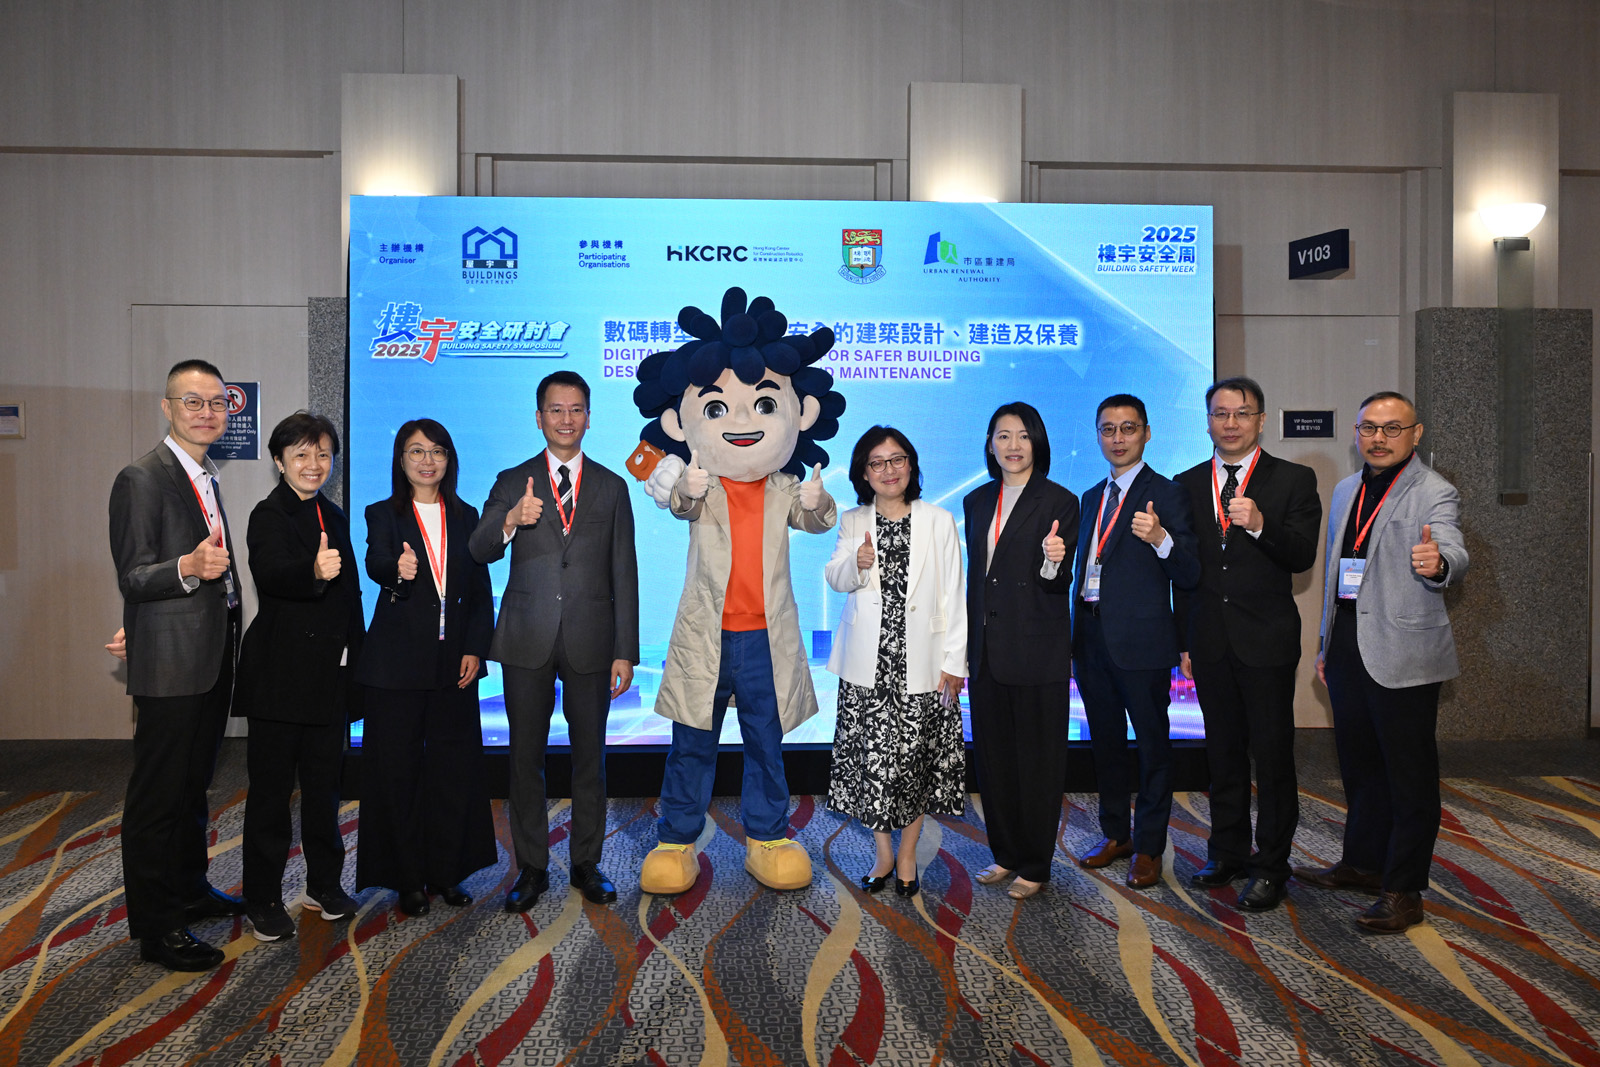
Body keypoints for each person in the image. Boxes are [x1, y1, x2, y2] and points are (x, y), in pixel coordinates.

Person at [629, 286, 844, 896]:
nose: (743, 421)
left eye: (763, 405)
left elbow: (816, 520)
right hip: (708, 636)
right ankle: (677, 839)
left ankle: (767, 836)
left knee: (765, 743)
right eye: (719, 408)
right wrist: (687, 486)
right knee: (691, 743)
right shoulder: (703, 485)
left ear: (798, 413)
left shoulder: (783, 487)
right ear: (684, 423)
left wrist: (817, 498)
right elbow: (679, 504)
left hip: (764, 640)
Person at [1295, 391, 1467, 934]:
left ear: (1415, 435)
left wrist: (1440, 562)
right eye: (1369, 427)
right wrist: (1325, 644)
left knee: (1409, 777)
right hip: (1349, 645)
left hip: (1403, 652)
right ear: (1356, 433)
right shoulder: (1347, 489)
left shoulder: (1434, 491)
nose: (1378, 438)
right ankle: (1364, 864)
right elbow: (1337, 572)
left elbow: (1452, 547)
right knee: (1360, 765)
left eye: (1392, 428)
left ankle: (1405, 890)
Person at [469, 372, 640, 910]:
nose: (566, 419)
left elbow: (624, 571)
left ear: (588, 417)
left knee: (591, 757)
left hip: (593, 639)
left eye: (576, 409)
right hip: (527, 638)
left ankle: (587, 863)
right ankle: (532, 868)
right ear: (539, 417)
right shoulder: (511, 480)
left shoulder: (612, 486)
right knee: (525, 758)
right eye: (556, 410)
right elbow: (478, 549)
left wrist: (625, 650)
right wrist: (510, 520)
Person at [108, 358, 247, 971]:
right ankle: (157, 927)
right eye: (193, 402)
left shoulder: (205, 476)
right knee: (158, 799)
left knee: (193, 787)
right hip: (171, 666)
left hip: (209, 656)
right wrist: (187, 568)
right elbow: (135, 576)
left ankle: (190, 890)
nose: (207, 413)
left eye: (217, 402)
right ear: (167, 408)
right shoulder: (141, 478)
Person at [1174, 377, 1321, 912]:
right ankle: (1227, 852)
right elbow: (1185, 572)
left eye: (1242, 413)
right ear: (1207, 421)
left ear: (1260, 420)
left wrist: (1260, 526)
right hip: (1210, 641)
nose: (1230, 423)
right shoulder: (1187, 483)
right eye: (1220, 413)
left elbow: (1302, 555)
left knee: (1273, 757)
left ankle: (1272, 866)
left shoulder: (1293, 479)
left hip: (1266, 642)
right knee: (1223, 755)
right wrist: (1184, 640)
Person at [355, 419, 497, 916]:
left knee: (452, 771)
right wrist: (396, 570)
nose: (427, 460)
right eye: (416, 451)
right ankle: (407, 879)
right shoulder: (382, 513)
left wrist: (476, 648)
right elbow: (375, 561)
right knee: (397, 773)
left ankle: (447, 872)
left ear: (449, 459)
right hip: (396, 666)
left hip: (453, 663)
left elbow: (479, 591)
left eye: (437, 451)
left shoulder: (466, 515)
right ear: (401, 460)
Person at [233, 412, 365, 940]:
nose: (314, 464)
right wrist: (311, 572)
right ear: (279, 460)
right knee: (270, 795)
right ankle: (262, 898)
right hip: (280, 678)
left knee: (323, 791)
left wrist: (359, 660)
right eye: (302, 454)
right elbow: (270, 573)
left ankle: (323, 886)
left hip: (330, 678)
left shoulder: (333, 513)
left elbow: (350, 597)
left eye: (323, 454)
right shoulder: (268, 514)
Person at [824, 427, 967, 897]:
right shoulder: (853, 521)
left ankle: (907, 854)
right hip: (868, 666)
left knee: (914, 764)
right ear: (864, 473)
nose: (889, 470)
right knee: (872, 764)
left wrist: (955, 661)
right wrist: (858, 563)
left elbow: (955, 594)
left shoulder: (938, 520)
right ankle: (883, 854)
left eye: (897, 459)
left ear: (911, 465)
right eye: (877, 463)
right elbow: (835, 577)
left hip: (923, 663)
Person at [1072, 394, 1200, 890]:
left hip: (1142, 643)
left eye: (1128, 428)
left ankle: (1148, 847)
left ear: (1147, 432)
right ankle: (1115, 835)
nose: (1118, 438)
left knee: (1151, 748)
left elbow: (1189, 572)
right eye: (1108, 429)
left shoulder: (1167, 493)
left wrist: (1161, 538)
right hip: (1090, 637)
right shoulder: (1090, 497)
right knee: (1105, 746)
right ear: (1098, 435)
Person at [961, 402, 1079, 901]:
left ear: (1038, 443)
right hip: (987, 652)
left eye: (1023, 436)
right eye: (1003, 435)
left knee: (1038, 763)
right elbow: (976, 579)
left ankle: (1035, 863)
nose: (1013, 445)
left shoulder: (1060, 501)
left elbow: (1056, 582)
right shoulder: (975, 500)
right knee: (995, 762)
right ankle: (1006, 853)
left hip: (1036, 652)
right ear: (990, 444)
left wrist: (1054, 562)